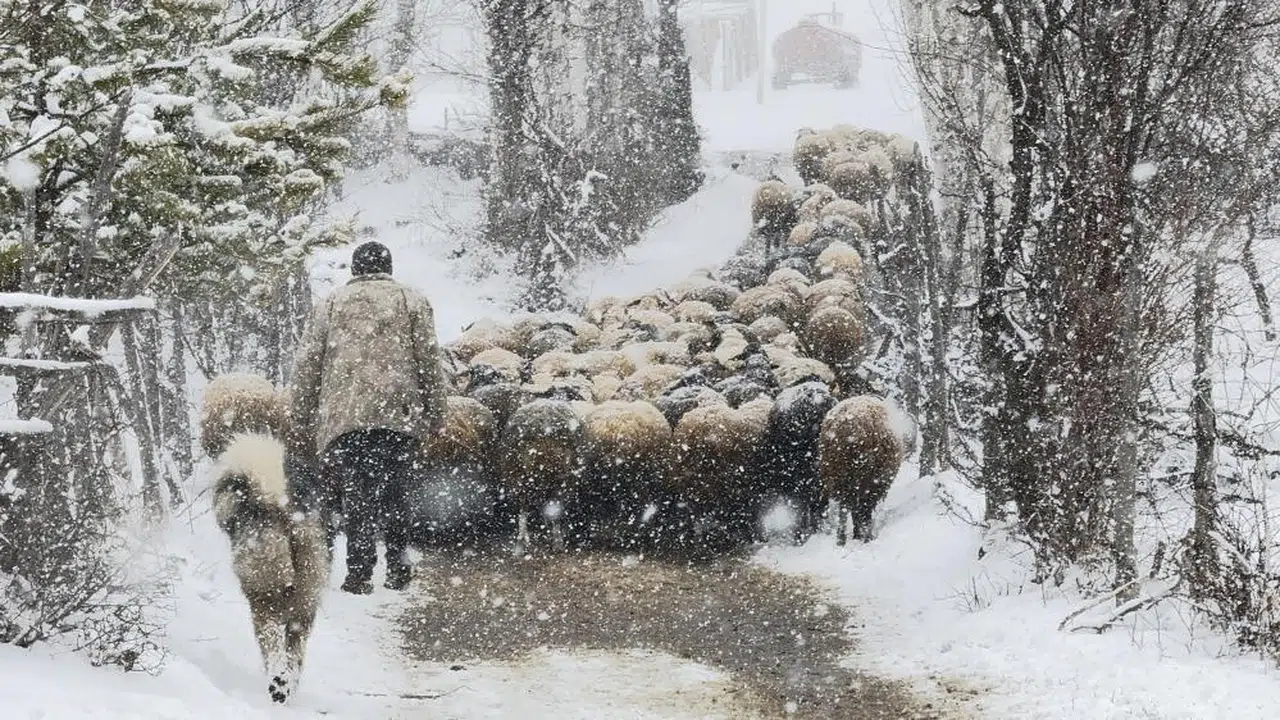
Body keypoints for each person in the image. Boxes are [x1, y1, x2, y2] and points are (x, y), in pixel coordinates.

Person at [290, 241, 448, 594]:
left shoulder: (331, 303)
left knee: (356, 494)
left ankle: (359, 574)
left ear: (355, 270)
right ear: (388, 268)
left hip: (348, 417)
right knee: (397, 493)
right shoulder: (412, 301)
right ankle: (398, 568)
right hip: (399, 415)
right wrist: (437, 413)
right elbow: (428, 360)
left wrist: (301, 412)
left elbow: (307, 361)